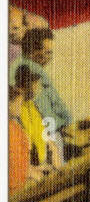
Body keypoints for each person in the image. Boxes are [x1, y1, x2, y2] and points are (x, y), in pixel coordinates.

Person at [9, 26, 75, 160]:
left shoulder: (21, 67)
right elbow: (46, 104)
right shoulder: (32, 71)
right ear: (33, 51)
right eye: (47, 52)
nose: (50, 57)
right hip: (48, 131)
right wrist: (67, 122)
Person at [13, 64, 61, 174]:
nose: (36, 87)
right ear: (24, 86)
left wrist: (53, 149)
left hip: (45, 162)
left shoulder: (32, 106)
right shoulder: (16, 112)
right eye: (33, 83)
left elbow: (45, 134)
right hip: (33, 166)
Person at [9, 84, 31, 191]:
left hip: (22, 179)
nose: (20, 107)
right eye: (18, 104)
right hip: (15, 187)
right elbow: (14, 164)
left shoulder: (15, 126)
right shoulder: (10, 129)